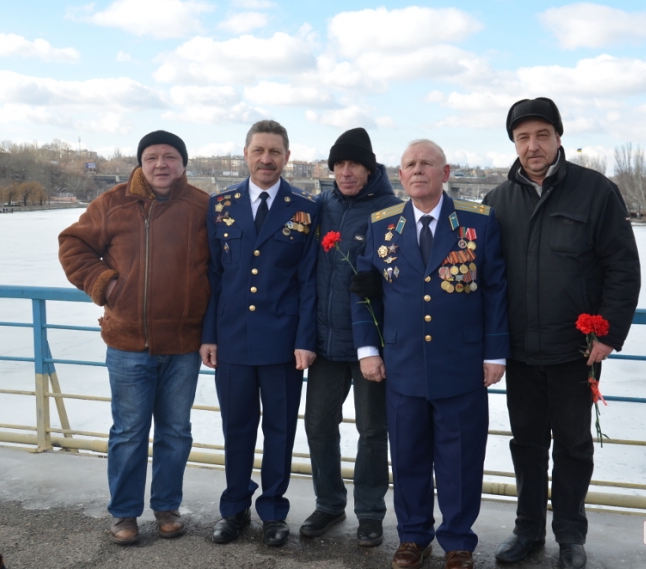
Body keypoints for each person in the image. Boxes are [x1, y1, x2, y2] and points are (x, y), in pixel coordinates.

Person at [483, 98, 641, 569]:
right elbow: (483, 278)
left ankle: (570, 534)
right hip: (520, 351)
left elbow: (622, 267)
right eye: (523, 137)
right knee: (527, 444)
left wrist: (608, 333)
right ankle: (527, 530)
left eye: (541, 135)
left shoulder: (595, 192)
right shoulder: (497, 202)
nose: (532, 146)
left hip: (577, 352)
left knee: (574, 446)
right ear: (514, 142)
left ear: (558, 138)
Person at [352, 140, 509, 569]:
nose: (417, 170)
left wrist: (496, 353)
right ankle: (413, 537)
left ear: (446, 172)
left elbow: (495, 289)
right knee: (407, 456)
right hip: (401, 364)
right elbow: (364, 295)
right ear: (400, 176)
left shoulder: (477, 222)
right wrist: (368, 350)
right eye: (409, 165)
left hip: (461, 362)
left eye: (427, 164)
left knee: (460, 458)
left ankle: (458, 541)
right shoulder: (384, 225)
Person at [58, 130, 211, 545]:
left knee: (175, 432)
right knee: (128, 432)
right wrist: (106, 285)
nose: (161, 164)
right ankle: (124, 514)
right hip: (128, 344)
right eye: (152, 157)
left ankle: (166, 508)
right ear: (140, 163)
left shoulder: (202, 207)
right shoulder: (114, 203)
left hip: (182, 345)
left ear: (183, 163)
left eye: (170, 157)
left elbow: (220, 270)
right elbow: (72, 245)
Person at [200, 119, 320, 547]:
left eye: (274, 152)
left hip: (284, 344)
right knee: (237, 428)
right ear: (246, 155)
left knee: (280, 430)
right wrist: (208, 334)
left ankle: (272, 511)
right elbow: (212, 276)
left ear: (287, 157)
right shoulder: (220, 206)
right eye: (258, 151)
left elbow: (310, 281)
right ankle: (233, 510)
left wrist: (306, 340)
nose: (266, 159)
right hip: (231, 339)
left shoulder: (307, 208)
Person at [300, 128, 401, 546]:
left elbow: (407, 274)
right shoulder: (322, 205)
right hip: (325, 343)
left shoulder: (392, 210)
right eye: (338, 165)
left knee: (373, 431)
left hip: (370, 346)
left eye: (353, 164)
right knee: (319, 424)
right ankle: (328, 502)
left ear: (369, 168)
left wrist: (382, 285)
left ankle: (370, 513)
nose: (345, 172)